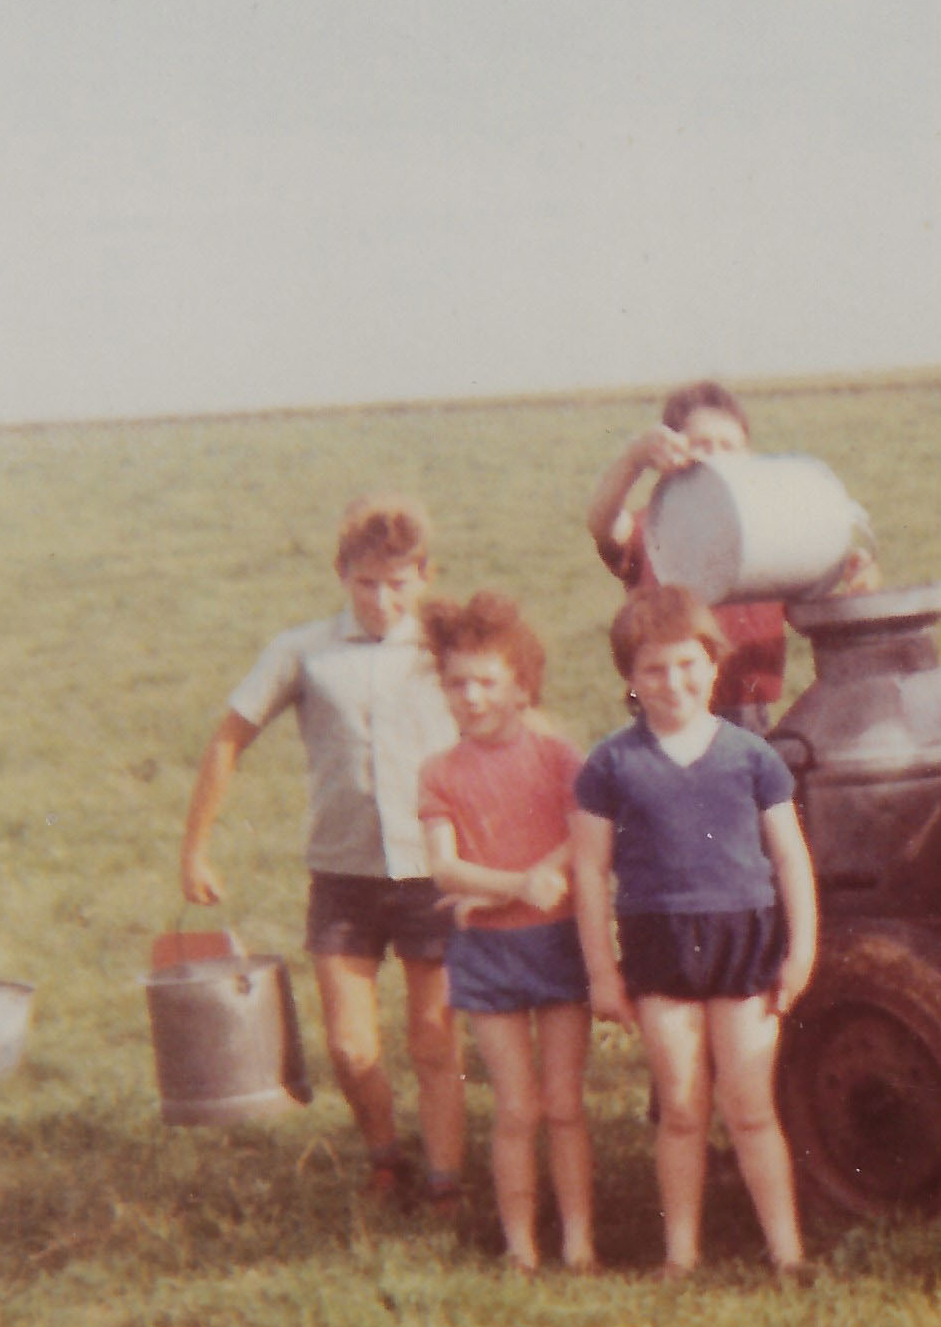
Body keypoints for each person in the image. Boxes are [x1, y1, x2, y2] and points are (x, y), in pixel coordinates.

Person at [180, 494, 467, 1211]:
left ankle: (444, 1179)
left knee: (433, 1039)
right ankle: (384, 1158)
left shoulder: (449, 648)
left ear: (426, 575)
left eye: (399, 581)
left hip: (435, 870)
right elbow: (228, 738)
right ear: (342, 573)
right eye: (367, 582)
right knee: (349, 1044)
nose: (382, 598)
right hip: (343, 876)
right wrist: (195, 848)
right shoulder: (302, 651)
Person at [571, 587, 819, 1279]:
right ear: (629, 678)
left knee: (749, 1103)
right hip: (659, 944)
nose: (672, 682)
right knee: (681, 1106)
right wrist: (601, 971)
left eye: (686, 664)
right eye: (653, 669)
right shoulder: (610, 764)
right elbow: (589, 871)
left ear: (713, 665)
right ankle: (680, 1254)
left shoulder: (751, 756)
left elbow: (790, 856)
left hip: (745, 942)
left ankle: (787, 1252)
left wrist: (801, 949)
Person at [416, 593, 592, 1274]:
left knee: (565, 1103)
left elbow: (584, 834)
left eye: (487, 681)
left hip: (555, 941)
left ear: (521, 684)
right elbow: (443, 864)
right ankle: (520, 1243)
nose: (472, 696)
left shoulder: (556, 755)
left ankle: (579, 1240)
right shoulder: (441, 771)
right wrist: (518, 884)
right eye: (458, 683)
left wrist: (540, 874)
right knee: (517, 1107)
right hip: (488, 952)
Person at [586, 381, 792, 732]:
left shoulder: (770, 534)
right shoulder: (651, 529)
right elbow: (602, 524)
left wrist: (861, 574)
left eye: (728, 446)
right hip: (666, 706)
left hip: (747, 712)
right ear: (671, 454)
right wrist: (633, 459)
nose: (715, 457)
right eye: (701, 445)